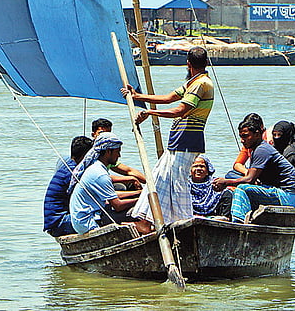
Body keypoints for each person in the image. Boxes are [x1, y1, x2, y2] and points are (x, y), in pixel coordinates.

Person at [122, 46, 214, 226]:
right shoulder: (193, 83)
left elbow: (180, 110)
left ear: (188, 64)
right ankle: (152, 219)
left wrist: (150, 113)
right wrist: (138, 96)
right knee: (160, 176)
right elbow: (169, 98)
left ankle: (184, 221)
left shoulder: (201, 84)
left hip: (188, 140)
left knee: (178, 183)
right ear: (205, 63)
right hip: (178, 141)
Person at [212, 114, 295, 222]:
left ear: (257, 134)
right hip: (278, 191)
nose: (242, 140)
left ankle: (238, 222)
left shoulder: (262, 150)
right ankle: (242, 217)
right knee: (232, 176)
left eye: (245, 136)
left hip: (288, 196)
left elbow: (250, 179)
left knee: (242, 188)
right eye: (241, 137)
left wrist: (226, 182)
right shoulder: (257, 149)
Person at [69, 133, 147, 235]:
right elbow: (118, 205)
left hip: (85, 218)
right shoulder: (100, 174)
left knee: (136, 203)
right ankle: (143, 227)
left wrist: (139, 193)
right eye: (117, 152)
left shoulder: (97, 167)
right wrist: (141, 201)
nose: (119, 155)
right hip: (89, 221)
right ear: (108, 151)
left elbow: (113, 195)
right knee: (138, 210)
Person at [43, 135, 93, 237]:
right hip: (59, 222)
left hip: (57, 220)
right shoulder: (72, 173)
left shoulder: (69, 164)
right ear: (85, 156)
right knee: (101, 218)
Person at [90, 117, 146, 189]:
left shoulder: (109, 153)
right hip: (94, 185)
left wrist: (150, 182)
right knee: (121, 187)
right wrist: (130, 179)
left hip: (104, 181)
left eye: (108, 134)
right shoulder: (90, 153)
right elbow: (99, 177)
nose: (106, 137)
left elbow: (128, 171)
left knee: (132, 184)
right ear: (93, 135)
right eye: (101, 133)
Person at [228, 112, 273, 179]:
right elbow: (237, 164)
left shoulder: (267, 142)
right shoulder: (249, 143)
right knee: (230, 174)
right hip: (252, 173)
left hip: (265, 174)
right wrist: (246, 172)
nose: (242, 140)